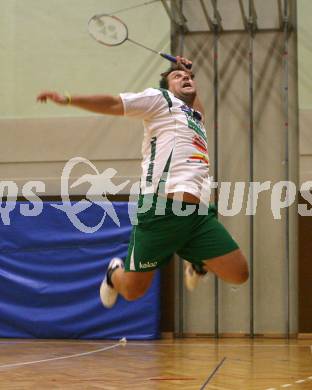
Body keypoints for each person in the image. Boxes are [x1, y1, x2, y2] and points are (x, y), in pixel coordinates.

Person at [37, 57, 249, 308]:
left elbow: (196, 103)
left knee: (239, 274)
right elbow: (115, 103)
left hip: (197, 215)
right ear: (166, 86)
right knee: (133, 291)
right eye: (178, 77)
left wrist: (185, 71)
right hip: (160, 211)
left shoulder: (194, 115)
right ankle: (113, 273)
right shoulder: (159, 100)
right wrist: (70, 99)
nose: (187, 79)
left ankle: (197, 262)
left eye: (190, 77)